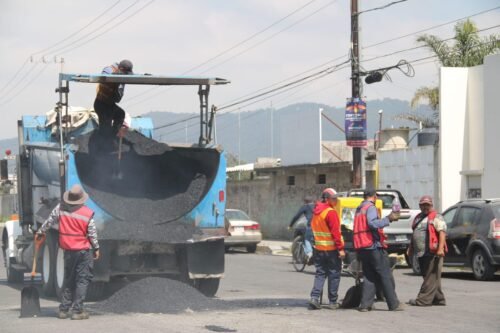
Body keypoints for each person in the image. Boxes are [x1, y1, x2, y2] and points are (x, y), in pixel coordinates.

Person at [37, 184, 100, 320]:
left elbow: (49, 222)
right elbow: (92, 233)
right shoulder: (86, 213)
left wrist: (41, 231)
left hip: (68, 250)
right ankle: (77, 311)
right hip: (83, 251)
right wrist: (96, 248)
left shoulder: (60, 209)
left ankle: (64, 309)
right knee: (82, 279)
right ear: (81, 199)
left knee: (69, 279)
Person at [353, 189, 404, 312]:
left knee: (369, 276)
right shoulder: (370, 208)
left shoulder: (359, 209)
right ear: (374, 196)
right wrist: (388, 219)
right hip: (373, 246)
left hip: (362, 246)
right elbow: (372, 223)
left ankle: (365, 305)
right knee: (385, 274)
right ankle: (393, 304)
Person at [308, 188, 345, 310]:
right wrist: (340, 249)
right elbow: (335, 233)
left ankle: (314, 298)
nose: (336, 201)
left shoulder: (316, 212)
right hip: (332, 250)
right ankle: (332, 301)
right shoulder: (330, 212)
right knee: (334, 274)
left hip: (319, 249)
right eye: (334, 198)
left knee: (320, 274)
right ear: (327, 199)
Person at [407, 195, 447, 306]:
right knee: (430, 276)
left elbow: (442, 232)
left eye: (427, 205)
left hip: (432, 252)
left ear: (431, 205)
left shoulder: (436, 216)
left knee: (430, 277)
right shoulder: (418, 217)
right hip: (421, 253)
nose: (425, 207)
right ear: (420, 206)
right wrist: (411, 248)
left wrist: (440, 249)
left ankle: (422, 300)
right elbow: (415, 233)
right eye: (423, 205)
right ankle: (438, 298)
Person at [94, 59, 134, 140]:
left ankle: (112, 137)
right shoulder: (109, 69)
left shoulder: (122, 78)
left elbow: (118, 98)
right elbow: (104, 76)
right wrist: (117, 75)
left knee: (120, 114)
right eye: (125, 73)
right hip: (101, 103)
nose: (126, 75)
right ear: (122, 69)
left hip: (110, 104)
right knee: (105, 125)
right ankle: (103, 144)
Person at [288, 195, 315, 263]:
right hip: (320, 226)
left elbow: (296, 216)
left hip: (311, 225)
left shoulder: (305, 206)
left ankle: (309, 253)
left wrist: (290, 225)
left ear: (305, 202)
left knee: (307, 239)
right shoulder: (317, 206)